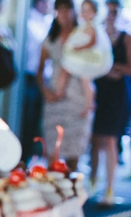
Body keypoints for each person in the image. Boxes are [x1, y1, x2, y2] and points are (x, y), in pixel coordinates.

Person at [39, 0, 93, 172]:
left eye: (67, 9)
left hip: (78, 96)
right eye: (60, 9)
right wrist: (45, 91)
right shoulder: (50, 39)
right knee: (52, 148)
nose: (63, 13)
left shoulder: (82, 36)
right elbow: (39, 71)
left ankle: (70, 190)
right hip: (55, 96)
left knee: (74, 149)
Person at [91, 0, 131, 205]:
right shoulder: (96, 35)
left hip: (117, 94)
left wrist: (114, 68)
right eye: (109, 11)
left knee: (110, 139)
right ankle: (92, 184)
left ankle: (109, 188)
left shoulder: (126, 38)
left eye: (115, 12)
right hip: (98, 91)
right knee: (95, 139)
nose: (111, 15)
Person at [21, 0, 53, 163]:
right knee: (28, 122)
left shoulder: (48, 22)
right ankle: (23, 159)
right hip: (30, 79)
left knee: (38, 124)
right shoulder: (28, 22)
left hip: (46, 80)